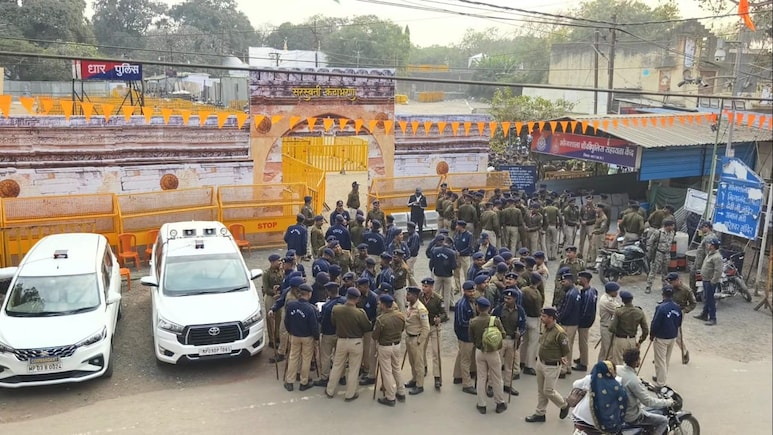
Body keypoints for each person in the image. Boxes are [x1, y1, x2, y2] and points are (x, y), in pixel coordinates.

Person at [325, 287, 373, 401]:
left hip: (341, 340)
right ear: (357, 299)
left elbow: (333, 322)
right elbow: (367, 327)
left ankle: (330, 390)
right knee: (353, 369)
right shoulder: (360, 313)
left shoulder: (336, 309)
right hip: (356, 342)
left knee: (337, 366)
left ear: (346, 296)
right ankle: (350, 394)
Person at [525, 307, 571, 423]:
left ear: (551, 318)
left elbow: (566, 349)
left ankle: (564, 405)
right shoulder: (545, 327)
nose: (541, 318)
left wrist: (562, 357)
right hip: (541, 363)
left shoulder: (560, 333)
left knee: (548, 391)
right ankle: (540, 413)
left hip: (552, 366)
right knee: (541, 391)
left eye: (544, 316)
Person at [619, 348, 674, 435]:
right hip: (631, 416)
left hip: (618, 410)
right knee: (663, 421)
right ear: (636, 362)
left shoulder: (618, 369)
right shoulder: (634, 381)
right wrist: (667, 402)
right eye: (639, 359)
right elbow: (648, 402)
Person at [469, 297, 508, 414]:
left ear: (477, 307)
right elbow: (503, 334)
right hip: (493, 352)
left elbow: (471, 338)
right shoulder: (495, 320)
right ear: (489, 308)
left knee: (481, 378)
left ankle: (481, 404)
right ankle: (499, 402)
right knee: (497, 377)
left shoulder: (473, 322)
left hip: (479, 351)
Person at [570, 361, 628, 435]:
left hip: (581, 418)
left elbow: (575, 384)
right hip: (604, 423)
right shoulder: (617, 384)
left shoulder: (591, 379)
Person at [283, 284, 319, 392]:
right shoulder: (310, 308)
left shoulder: (291, 305)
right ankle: (304, 382)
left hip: (295, 335)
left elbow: (286, 321)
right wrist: (316, 337)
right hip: (307, 337)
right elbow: (314, 326)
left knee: (293, 358)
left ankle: (290, 381)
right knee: (306, 359)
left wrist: (290, 331)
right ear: (309, 294)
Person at [373, 294, 407, 407]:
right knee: (397, 368)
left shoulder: (381, 319)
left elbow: (375, 336)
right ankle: (401, 391)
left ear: (383, 305)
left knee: (387, 372)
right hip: (396, 345)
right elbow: (402, 329)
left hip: (385, 346)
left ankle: (390, 396)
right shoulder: (400, 315)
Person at [492, 288, 525, 395]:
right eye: (505, 298)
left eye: (509, 298)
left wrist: (520, 333)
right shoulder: (498, 309)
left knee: (509, 365)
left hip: (512, 340)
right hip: (500, 340)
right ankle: (491, 385)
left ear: (515, 299)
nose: (506, 300)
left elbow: (523, 325)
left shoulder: (520, 310)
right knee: (496, 364)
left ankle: (507, 385)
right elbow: (492, 323)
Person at [650, 285, 682, 387]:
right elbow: (679, 323)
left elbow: (655, 323)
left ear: (663, 294)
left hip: (661, 337)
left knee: (660, 361)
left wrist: (652, 334)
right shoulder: (677, 307)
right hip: (672, 336)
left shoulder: (660, 307)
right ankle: (661, 376)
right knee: (666, 359)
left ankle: (660, 383)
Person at [315, 282, 346, 387]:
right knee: (340, 356)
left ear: (328, 292)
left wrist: (317, 313)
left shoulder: (326, 306)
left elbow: (322, 320)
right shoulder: (344, 302)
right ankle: (342, 376)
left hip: (328, 333)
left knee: (326, 356)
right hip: (341, 333)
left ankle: (325, 377)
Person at [420, 277, 447, 389]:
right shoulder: (419, 297)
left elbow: (445, 314)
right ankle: (423, 367)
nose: (423, 288)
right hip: (423, 327)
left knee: (436, 352)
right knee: (421, 349)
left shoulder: (438, 299)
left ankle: (437, 377)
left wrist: (439, 319)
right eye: (423, 286)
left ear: (431, 287)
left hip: (434, 327)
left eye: (426, 286)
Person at [608, 291, 648, 365]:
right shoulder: (639, 312)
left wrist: (618, 331)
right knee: (631, 363)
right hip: (632, 340)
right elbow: (645, 330)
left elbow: (611, 328)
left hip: (620, 339)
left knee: (618, 362)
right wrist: (640, 341)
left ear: (622, 300)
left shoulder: (619, 311)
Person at [404, 286, 430, 395]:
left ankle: (420, 385)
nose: (406, 296)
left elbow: (426, 328)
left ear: (415, 296)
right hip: (409, 337)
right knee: (412, 361)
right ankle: (414, 379)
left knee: (418, 363)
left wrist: (420, 340)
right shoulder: (410, 306)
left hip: (416, 338)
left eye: (408, 294)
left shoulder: (421, 309)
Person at [453, 281, 477, 393]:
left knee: (463, 355)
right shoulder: (461, 304)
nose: (472, 293)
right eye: (469, 291)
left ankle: (458, 376)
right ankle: (466, 384)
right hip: (465, 335)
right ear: (464, 291)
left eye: (473, 291)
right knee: (465, 360)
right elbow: (461, 322)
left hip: (471, 334)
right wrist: (476, 323)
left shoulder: (473, 301)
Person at [665, 272, 696, 362]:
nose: (670, 284)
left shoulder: (686, 290)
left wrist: (684, 311)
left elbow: (693, 304)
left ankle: (684, 351)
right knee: (664, 333)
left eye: (672, 282)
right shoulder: (669, 288)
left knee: (676, 335)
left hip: (678, 313)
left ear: (677, 280)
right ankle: (662, 355)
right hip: (667, 311)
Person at [556, 271, 581, 377]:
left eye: (564, 281)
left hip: (567, 323)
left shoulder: (570, 294)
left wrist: (558, 319)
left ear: (570, 281)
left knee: (564, 346)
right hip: (573, 323)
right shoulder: (575, 291)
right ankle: (568, 366)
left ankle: (564, 368)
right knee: (569, 345)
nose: (562, 283)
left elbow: (566, 310)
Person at [573, 270, 598, 372]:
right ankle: (582, 357)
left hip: (584, 321)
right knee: (583, 341)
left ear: (585, 279)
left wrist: (580, 320)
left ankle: (583, 363)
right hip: (588, 320)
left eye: (580, 279)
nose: (578, 280)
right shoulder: (592, 290)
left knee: (583, 342)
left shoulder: (587, 294)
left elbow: (586, 310)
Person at [520, 273, 543, 376]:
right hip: (534, 319)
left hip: (525, 317)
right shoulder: (537, 293)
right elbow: (538, 309)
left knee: (524, 341)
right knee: (533, 343)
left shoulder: (523, 290)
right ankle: (529, 365)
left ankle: (521, 360)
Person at [696, 237, 722, 326]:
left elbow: (718, 271)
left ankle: (713, 318)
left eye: (709, 244)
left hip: (710, 281)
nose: (708, 245)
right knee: (707, 298)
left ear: (713, 246)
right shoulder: (710, 254)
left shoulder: (717, 257)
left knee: (710, 300)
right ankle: (704, 314)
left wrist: (713, 281)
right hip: (706, 279)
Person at [645, 218, 676, 294]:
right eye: (672, 226)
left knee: (665, 271)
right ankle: (648, 286)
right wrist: (650, 253)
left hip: (667, 254)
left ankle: (665, 286)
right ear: (668, 226)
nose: (673, 227)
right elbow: (650, 242)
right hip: (658, 254)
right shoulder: (658, 232)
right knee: (653, 271)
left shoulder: (672, 233)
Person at [262, 254, 285, 350]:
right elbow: (266, 288)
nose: (280, 262)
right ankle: (272, 340)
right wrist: (274, 292)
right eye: (278, 261)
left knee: (279, 317)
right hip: (270, 297)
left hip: (279, 296)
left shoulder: (281, 271)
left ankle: (277, 336)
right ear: (272, 262)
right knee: (270, 318)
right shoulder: (266, 273)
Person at [597, 282, 622, 362]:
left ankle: (599, 365)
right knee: (609, 351)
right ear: (611, 292)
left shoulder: (607, 297)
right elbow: (619, 311)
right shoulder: (607, 301)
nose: (617, 293)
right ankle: (607, 367)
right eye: (616, 291)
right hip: (607, 328)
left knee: (604, 350)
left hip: (606, 327)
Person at [691, 221, 716, 291]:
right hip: (701, 262)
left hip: (702, 263)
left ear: (707, 227)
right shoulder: (708, 236)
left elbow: (708, 253)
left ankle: (695, 293)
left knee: (694, 276)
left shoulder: (709, 238)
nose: (701, 229)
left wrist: (703, 265)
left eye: (702, 227)